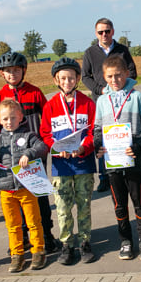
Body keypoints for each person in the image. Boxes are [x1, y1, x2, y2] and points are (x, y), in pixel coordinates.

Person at [0, 51, 59, 256]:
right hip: (9, 156)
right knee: (16, 197)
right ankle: (23, 237)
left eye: (16, 70)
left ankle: (46, 234)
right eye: (8, 71)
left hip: (33, 154)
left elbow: (47, 118)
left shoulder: (35, 93)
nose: (12, 74)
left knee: (38, 195)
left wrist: (45, 144)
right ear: (2, 73)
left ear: (24, 71)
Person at [93, 55, 141, 261]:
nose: (114, 80)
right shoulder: (102, 101)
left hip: (134, 162)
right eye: (110, 76)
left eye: (118, 75)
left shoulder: (137, 97)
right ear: (104, 77)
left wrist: (137, 145)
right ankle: (126, 241)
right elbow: (96, 129)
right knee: (119, 205)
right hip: (111, 164)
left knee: (139, 202)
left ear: (126, 74)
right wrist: (98, 145)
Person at [0, 99, 49, 273]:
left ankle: (38, 251)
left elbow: (43, 147)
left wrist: (29, 153)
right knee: (13, 225)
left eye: (13, 118)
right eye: (5, 119)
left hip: (26, 188)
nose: (9, 122)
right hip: (6, 190)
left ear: (20, 117)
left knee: (33, 222)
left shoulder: (28, 136)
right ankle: (17, 255)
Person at [40, 57, 97, 265]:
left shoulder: (88, 103)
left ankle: (85, 242)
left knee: (84, 204)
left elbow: (93, 130)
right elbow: (45, 133)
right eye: (62, 78)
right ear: (56, 80)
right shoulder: (50, 106)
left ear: (78, 78)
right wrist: (56, 149)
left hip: (84, 164)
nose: (67, 82)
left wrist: (84, 147)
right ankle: (66, 244)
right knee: (63, 207)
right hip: (61, 165)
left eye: (71, 78)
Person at [81, 18, 137, 192]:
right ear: (96, 33)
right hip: (102, 102)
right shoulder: (90, 52)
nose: (104, 35)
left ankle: (126, 169)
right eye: (100, 32)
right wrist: (100, 90)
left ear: (113, 31)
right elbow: (85, 76)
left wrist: (122, 88)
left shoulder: (122, 50)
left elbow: (133, 72)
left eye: (107, 31)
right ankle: (105, 176)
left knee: (123, 135)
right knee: (103, 138)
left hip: (123, 101)